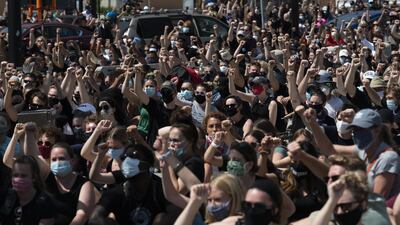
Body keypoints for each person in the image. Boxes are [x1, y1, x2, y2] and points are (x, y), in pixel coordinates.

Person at [21, 122, 97, 225]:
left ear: (72, 160)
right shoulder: (48, 176)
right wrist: (29, 133)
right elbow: (32, 156)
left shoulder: (84, 184)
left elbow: (81, 215)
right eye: (54, 159)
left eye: (61, 158)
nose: (57, 162)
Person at [0, 155, 55, 225]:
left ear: (34, 177)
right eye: (15, 175)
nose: (18, 179)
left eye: (23, 176)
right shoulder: (6, 196)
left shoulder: (45, 203)